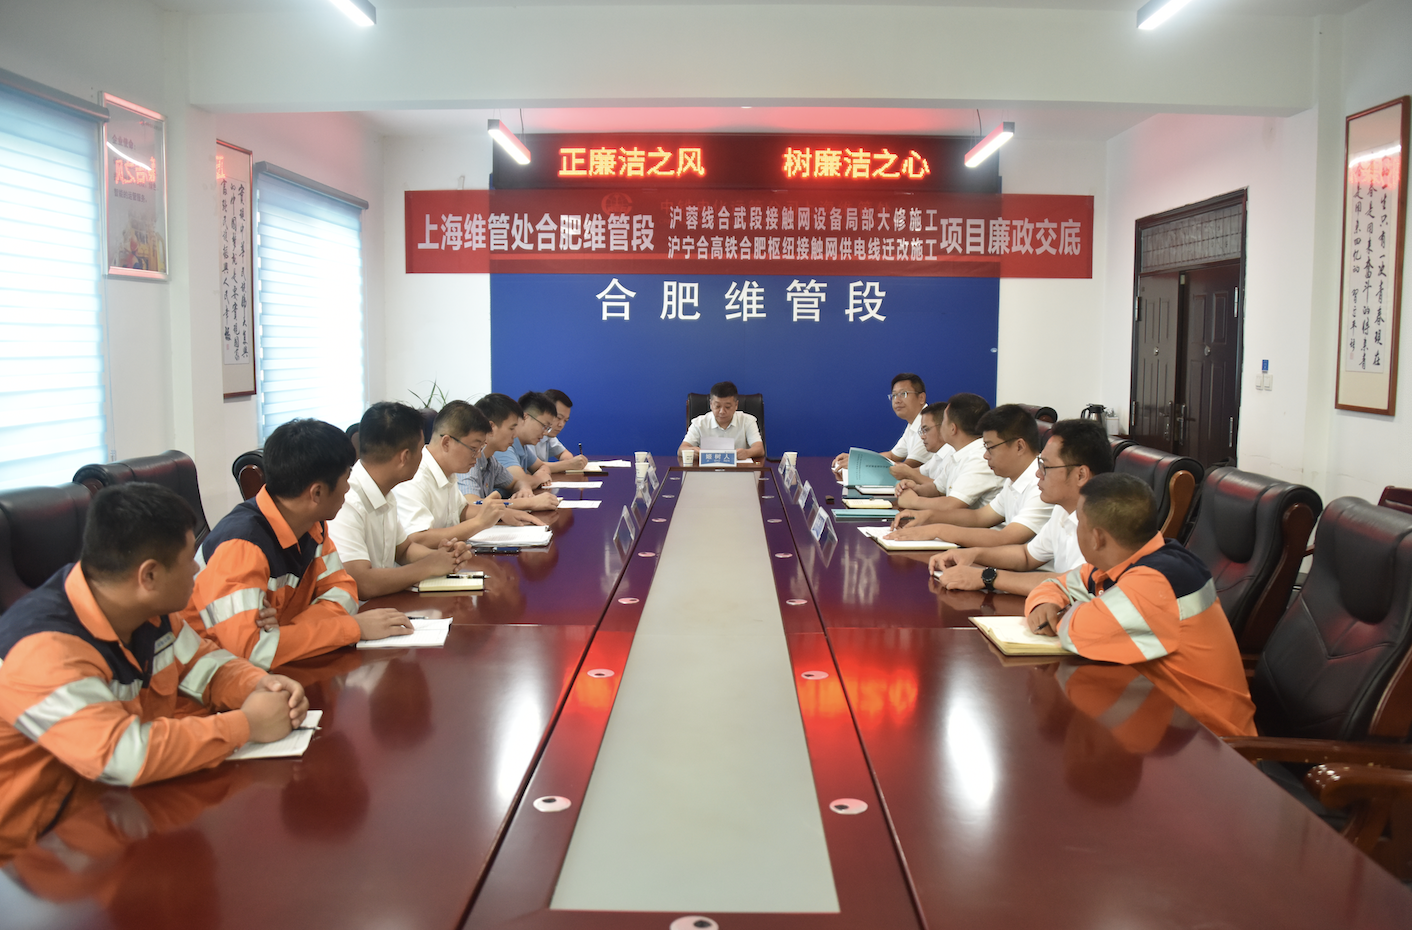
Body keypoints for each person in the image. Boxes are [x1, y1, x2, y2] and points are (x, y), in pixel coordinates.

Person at [0, 483, 308, 851]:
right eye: (188, 559)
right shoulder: (43, 650)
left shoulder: (147, 610)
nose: (197, 568)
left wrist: (260, 686)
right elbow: (124, 755)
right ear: (149, 576)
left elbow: (206, 665)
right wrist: (247, 724)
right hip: (36, 854)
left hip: (124, 813)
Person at [1024, 473, 1257, 738]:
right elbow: (1057, 585)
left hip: (1215, 742)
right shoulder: (1129, 560)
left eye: (1079, 524)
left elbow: (1079, 631)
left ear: (1097, 538)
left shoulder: (1158, 581)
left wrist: (1064, 612)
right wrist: (1045, 602)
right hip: (1166, 718)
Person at [181, 418, 414, 670]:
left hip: (274, 669)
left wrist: (284, 631)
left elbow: (345, 593)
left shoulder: (312, 525)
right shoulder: (241, 546)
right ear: (317, 493)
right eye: (346, 478)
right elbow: (253, 651)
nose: (348, 488)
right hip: (208, 677)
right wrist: (350, 628)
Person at [930, 418, 1114, 595]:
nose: (1038, 474)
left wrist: (987, 577)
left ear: (1080, 475)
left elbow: (1077, 584)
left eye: (1045, 467)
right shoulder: (1063, 509)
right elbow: (1026, 555)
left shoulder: (1107, 523)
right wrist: (974, 555)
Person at [329, 402, 480, 600]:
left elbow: (404, 550)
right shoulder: (347, 501)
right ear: (404, 457)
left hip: (385, 603)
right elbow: (361, 582)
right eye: (421, 450)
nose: (424, 456)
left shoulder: (385, 490)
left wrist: (445, 557)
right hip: (359, 613)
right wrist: (428, 566)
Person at [886, 404, 1054, 547]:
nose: (985, 456)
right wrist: (927, 517)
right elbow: (979, 516)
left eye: (990, 448)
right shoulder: (1014, 479)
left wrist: (936, 529)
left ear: (1019, 447)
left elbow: (1005, 538)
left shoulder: (1041, 484)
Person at [397, 400, 541, 539]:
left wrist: (502, 513)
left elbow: (461, 510)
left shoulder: (448, 470)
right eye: (473, 448)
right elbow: (417, 538)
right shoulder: (414, 477)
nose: (478, 456)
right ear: (446, 443)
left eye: (480, 449)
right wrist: (479, 522)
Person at [894, 393, 1004, 515]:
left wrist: (913, 501)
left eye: (944, 421)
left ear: (953, 428)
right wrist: (915, 489)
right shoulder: (956, 452)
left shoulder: (979, 458)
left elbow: (952, 505)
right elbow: (938, 488)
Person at [458, 394, 559, 511]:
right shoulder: (467, 460)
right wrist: (528, 502)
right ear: (491, 427)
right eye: (511, 428)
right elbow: (472, 504)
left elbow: (517, 482)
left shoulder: (491, 461)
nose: (515, 435)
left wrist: (524, 488)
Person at [831, 372, 931, 478]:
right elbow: (892, 455)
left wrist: (859, 465)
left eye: (903, 394)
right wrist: (857, 460)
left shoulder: (929, 426)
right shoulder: (913, 424)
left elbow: (906, 469)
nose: (897, 400)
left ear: (921, 398)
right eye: (894, 395)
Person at [679, 380, 765, 460]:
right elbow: (681, 449)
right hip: (708, 469)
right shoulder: (699, 423)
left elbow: (759, 449)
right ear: (711, 404)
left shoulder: (747, 421)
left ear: (736, 405)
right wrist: (692, 451)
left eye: (727, 407)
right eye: (717, 406)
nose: (722, 411)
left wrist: (747, 453)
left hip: (739, 469)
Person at [493, 391, 560, 490]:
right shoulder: (504, 445)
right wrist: (539, 478)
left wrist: (536, 477)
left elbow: (543, 467)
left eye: (548, 428)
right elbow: (521, 482)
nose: (545, 433)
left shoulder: (523, 445)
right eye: (544, 426)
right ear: (525, 417)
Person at [537, 389, 590, 473]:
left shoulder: (548, 434)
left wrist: (570, 462)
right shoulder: (527, 436)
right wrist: (568, 464)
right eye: (558, 418)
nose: (561, 424)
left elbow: (565, 454)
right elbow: (531, 468)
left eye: (565, 421)